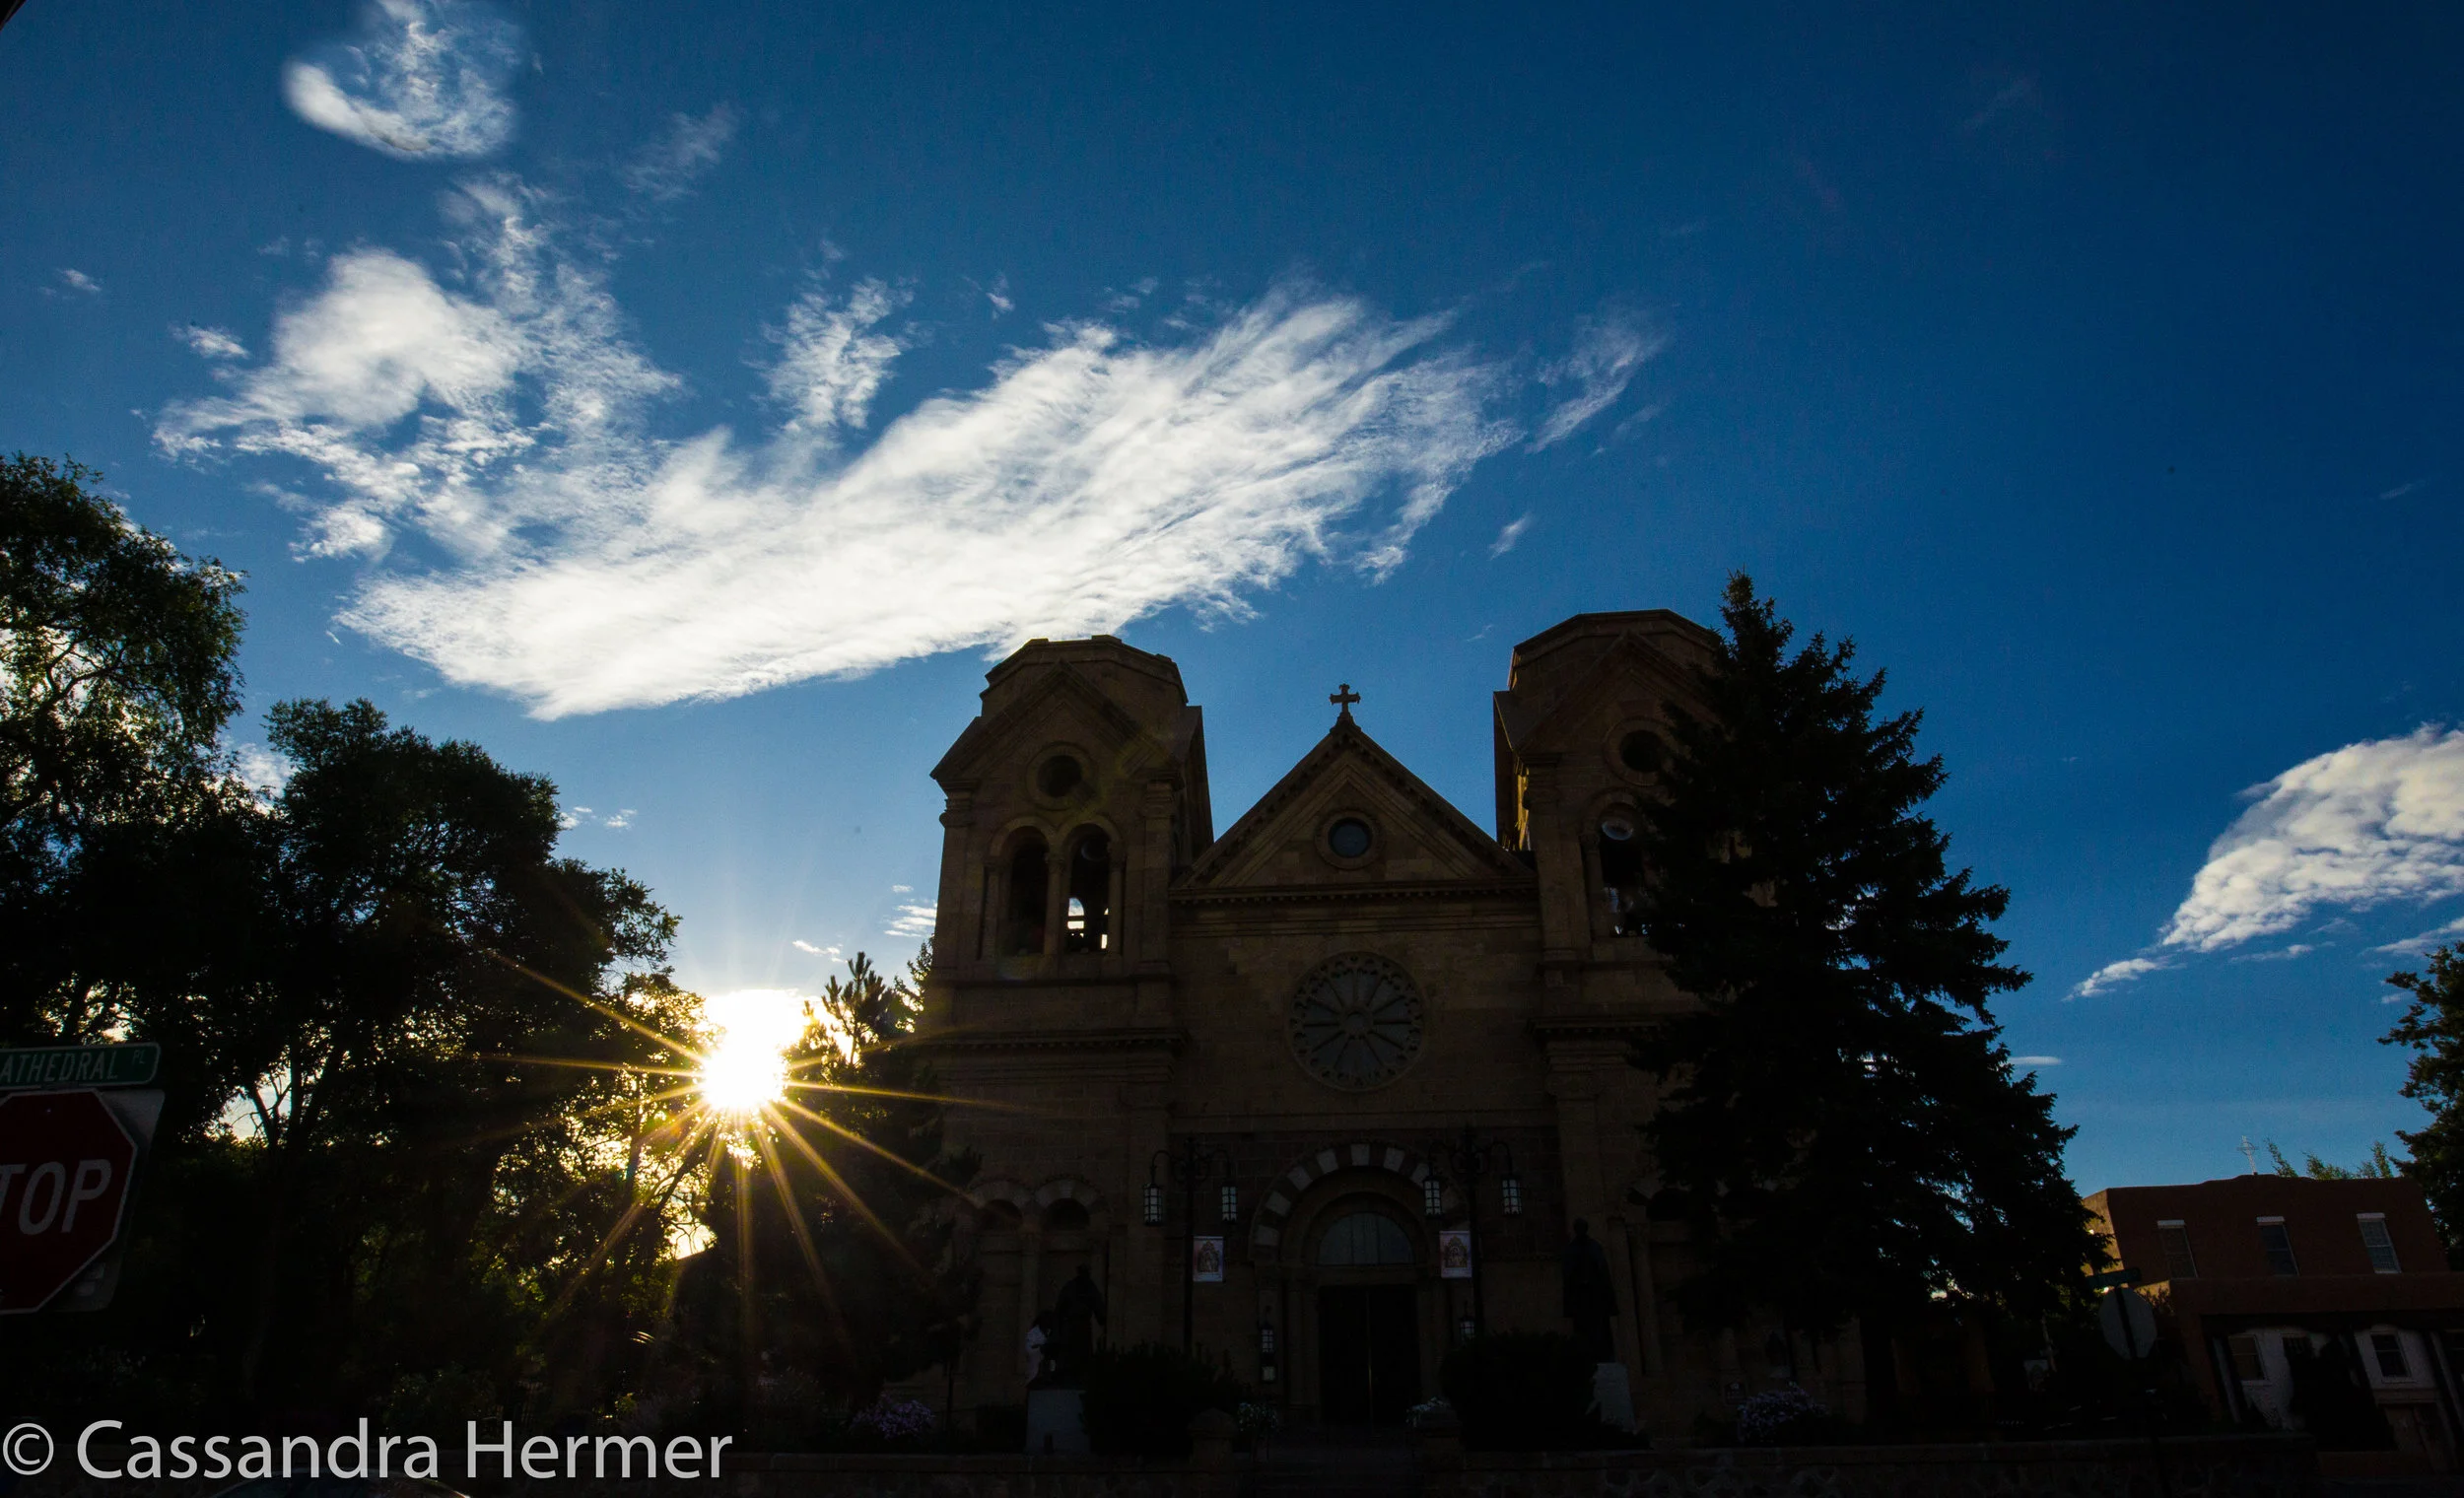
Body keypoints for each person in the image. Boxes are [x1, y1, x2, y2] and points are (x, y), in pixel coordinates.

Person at [1560, 1217, 1618, 1363]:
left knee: (1600, 1330)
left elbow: (1602, 1271)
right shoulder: (1571, 1249)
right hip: (1580, 1297)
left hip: (1596, 1297)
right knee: (1583, 1330)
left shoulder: (1594, 1247)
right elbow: (1568, 1274)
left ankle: (1602, 1355)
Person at [1051, 1263, 1107, 1379]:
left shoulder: (1088, 1288)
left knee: (1081, 1357)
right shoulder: (1076, 1287)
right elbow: (1059, 1309)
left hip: (1081, 1325)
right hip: (1072, 1325)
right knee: (1070, 1358)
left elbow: (1099, 1308)